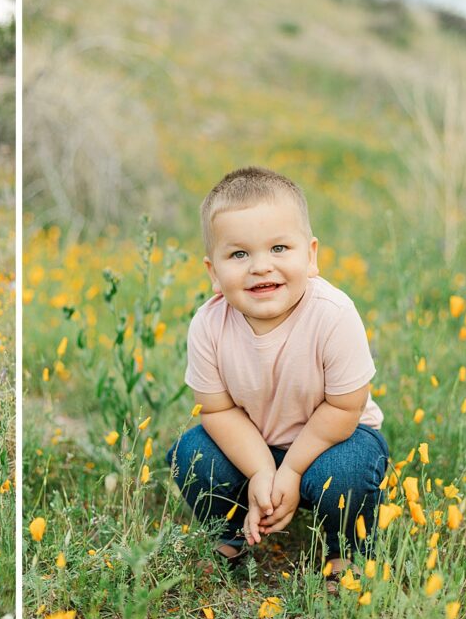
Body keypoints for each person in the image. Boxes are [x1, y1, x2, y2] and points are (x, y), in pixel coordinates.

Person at [166, 167, 389, 574]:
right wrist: (261, 470)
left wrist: (292, 470)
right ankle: (230, 535)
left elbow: (344, 408)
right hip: (253, 445)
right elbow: (217, 411)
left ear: (311, 255)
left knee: (346, 472)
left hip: (334, 441)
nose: (260, 266)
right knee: (192, 454)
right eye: (239, 254)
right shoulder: (208, 324)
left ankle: (348, 550)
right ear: (213, 273)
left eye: (279, 248)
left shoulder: (333, 314)